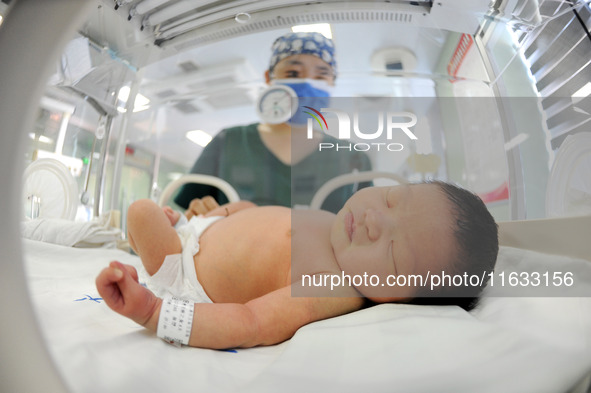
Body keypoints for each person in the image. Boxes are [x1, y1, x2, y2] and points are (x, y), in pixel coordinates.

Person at [96, 181, 499, 349]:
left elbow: (252, 322)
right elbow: (259, 213)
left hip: (185, 273)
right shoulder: (336, 221)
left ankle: (148, 238)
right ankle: (167, 228)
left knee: (141, 211)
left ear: (397, 301)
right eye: (393, 198)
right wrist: (221, 213)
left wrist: (155, 313)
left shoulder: (332, 287)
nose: (376, 220)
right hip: (202, 229)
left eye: (394, 254)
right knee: (171, 214)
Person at [173, 31, 372, 214]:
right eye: (293, 74)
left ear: (332, 84)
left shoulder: (352, 158)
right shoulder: (229, 142)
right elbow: (191, 214)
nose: (308, 85)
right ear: (269, 78)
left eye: (321, 75)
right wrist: (198, 215)